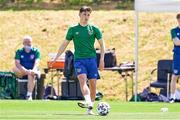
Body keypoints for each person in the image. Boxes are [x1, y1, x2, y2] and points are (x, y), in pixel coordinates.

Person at [51, 6, 105, 115]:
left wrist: (102, 60)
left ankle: (90, 108)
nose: (86, 17)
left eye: (88, 15)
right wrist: (56, 57)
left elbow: (102, 45)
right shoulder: (73, 29)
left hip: (92, 60)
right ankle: (88, 102)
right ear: (79, 15)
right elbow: (64, 44)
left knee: (93, 85)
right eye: (84, 14)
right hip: (79, 60)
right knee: (82, 80)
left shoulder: (94, 29)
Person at [12, 35, 40, 100]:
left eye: (29, 42)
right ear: (23, 43)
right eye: (26, 42)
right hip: (21, 70)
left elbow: (37, 62)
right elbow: (17, 63)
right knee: (14, 69)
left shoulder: (36, 51)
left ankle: (29, 95)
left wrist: (33, 70)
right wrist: (24, 70)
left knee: (31, 74)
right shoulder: (19, 51)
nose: (28, 44)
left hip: (31, 70)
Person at [170, 13, 180, 103]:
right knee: (175, 76)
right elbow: (177, 43)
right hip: (178, 57)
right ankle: (172, 97)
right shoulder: (173, 31)